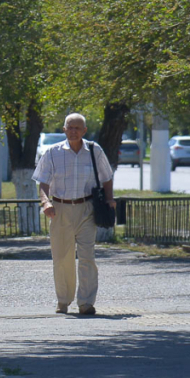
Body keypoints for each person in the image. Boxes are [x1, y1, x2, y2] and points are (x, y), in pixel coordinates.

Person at [32, 113, 115, 315]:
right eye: (70, 127)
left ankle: (86, 303)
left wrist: (109, 199)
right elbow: (42, 182)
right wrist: (45, 202)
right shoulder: (52, 152)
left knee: (87, 256)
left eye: (77, 128)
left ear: (84, 131)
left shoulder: (94, 151)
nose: (73, 131)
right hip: (59, 210)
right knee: (62, 258)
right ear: (64, 129)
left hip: (86, 209)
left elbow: (107, 177)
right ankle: (63, 301)